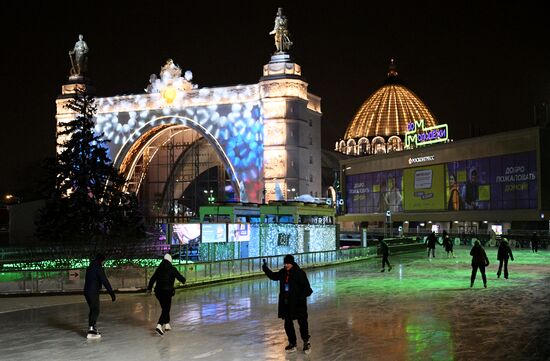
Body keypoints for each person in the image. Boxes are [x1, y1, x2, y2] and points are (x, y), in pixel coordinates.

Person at [262, 255, 313, 354]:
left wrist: (299, 297)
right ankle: (292, 343)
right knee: (288, 324)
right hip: (286, 304)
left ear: (292, 263)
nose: (286, 265)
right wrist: (266, 269)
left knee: (302, 324)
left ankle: (306, 342)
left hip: (298, 304)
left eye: (288, 263)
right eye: (285, 263)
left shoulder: (300, 273)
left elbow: (308, 289)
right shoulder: (283, 272)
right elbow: (274, 276)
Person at [147, 253, 186, 336]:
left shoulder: (159, 269)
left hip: (158, 292)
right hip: (167, 292)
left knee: (165, 308)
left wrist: (149, 288)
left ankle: (167, 324)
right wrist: (183, 280)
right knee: (166, 309)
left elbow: (152, 279)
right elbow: (179, 277)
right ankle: (159, 325)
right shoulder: (172, 269)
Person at [83, 254, 116, 339]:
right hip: (93, 291)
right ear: (101, 260)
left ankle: (91, 327)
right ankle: (91, 330)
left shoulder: (90, 267)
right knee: (96, 310)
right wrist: (111, 293)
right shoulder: (98, 267)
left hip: (87, 291)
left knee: (93, 309)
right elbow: (104, 280)